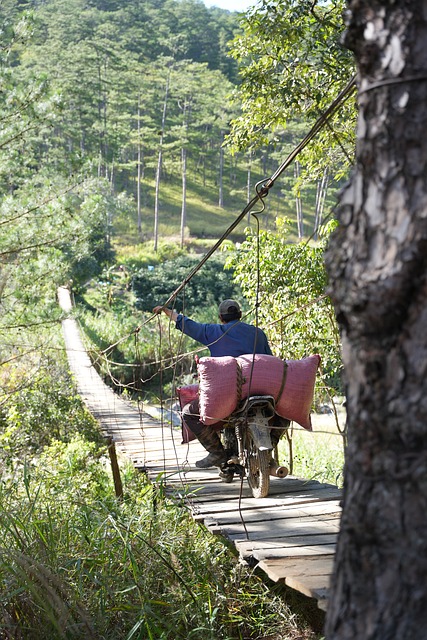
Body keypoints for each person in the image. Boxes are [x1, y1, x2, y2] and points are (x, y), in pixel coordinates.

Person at [153, 299, 286, 468]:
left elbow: (188, 324)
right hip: (261, 392)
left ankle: (217, 452)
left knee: (189, 413)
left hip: (227, 395)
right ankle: (270, 446)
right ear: (240, 315)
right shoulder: (258, 333)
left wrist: (167, 311)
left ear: (221, 318)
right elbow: (271, 360)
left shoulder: (213, 331)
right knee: (285, 410)